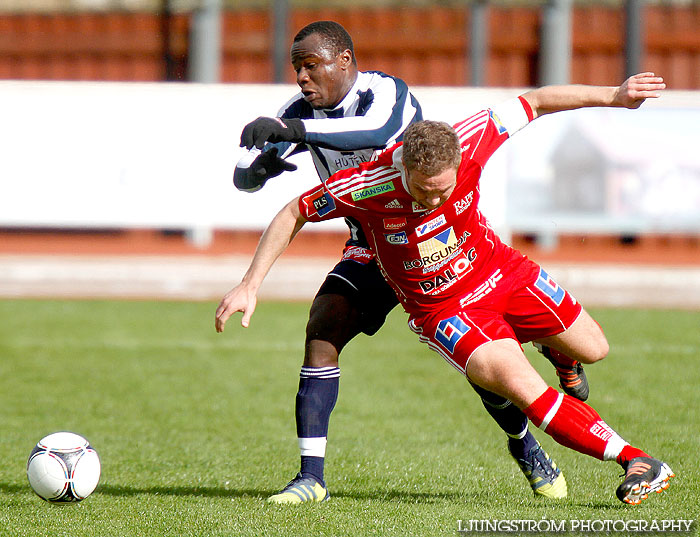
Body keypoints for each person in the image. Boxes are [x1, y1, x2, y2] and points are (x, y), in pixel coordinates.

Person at [217, 72, 674, 506]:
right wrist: (249, 284)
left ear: (459, 163)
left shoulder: (472, 139)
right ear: (404, 169)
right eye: (422, 191)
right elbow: (293, 211)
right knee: (523, 388)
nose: (433, 201)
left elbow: (535, 101)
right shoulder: (370, 183)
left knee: (595, 348)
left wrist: (614, 95)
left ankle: (559, 350)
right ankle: (636, 460)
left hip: (501, 270)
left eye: (443, 190)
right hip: (446, 312)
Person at [233, 20, 582, 503]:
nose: (302, 77)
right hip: (370, 247)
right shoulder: (298, 111)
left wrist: (294, 131)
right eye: (297, 68)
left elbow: (371, 132)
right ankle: (311, 477)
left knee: (483, 363)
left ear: (345, 62)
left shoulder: (384, 93)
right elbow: (244, 180)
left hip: (434, 244)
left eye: (311, 65)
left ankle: (525, 442)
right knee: (323, 328)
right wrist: (259, 170)